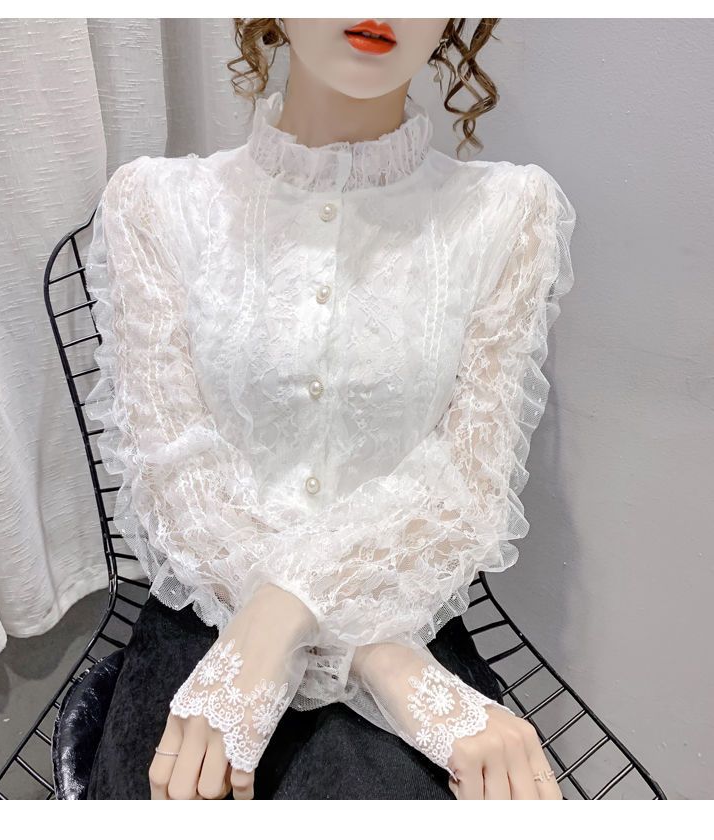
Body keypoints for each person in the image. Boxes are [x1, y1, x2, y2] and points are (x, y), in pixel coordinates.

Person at [84, 17, 576, 800]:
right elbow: (175, 475)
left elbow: (467, 486)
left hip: (406, 608)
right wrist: (371, 658)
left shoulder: (507, 213)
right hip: (206, 621)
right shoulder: (156, 204)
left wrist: (291, 614)